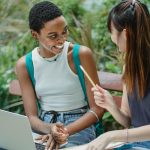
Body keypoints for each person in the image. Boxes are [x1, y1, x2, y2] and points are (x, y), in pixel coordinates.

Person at [16, 1, 104, 150]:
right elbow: (31, 117)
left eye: (64, 31)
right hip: (45, 126)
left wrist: (63, 131)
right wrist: (49, 128)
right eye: (53, 36)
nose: (62, 39)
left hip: (78, 125)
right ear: (35, 34)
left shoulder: (80, 55)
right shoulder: (25, 65)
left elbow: (97, 109)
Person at [87, 0, 150, 150]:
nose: (112, 38)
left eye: (112, 32)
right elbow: (128, 121)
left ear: (126, 34)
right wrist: (110, 104)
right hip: (135, 144)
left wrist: (111, 136)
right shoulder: (129, 67)